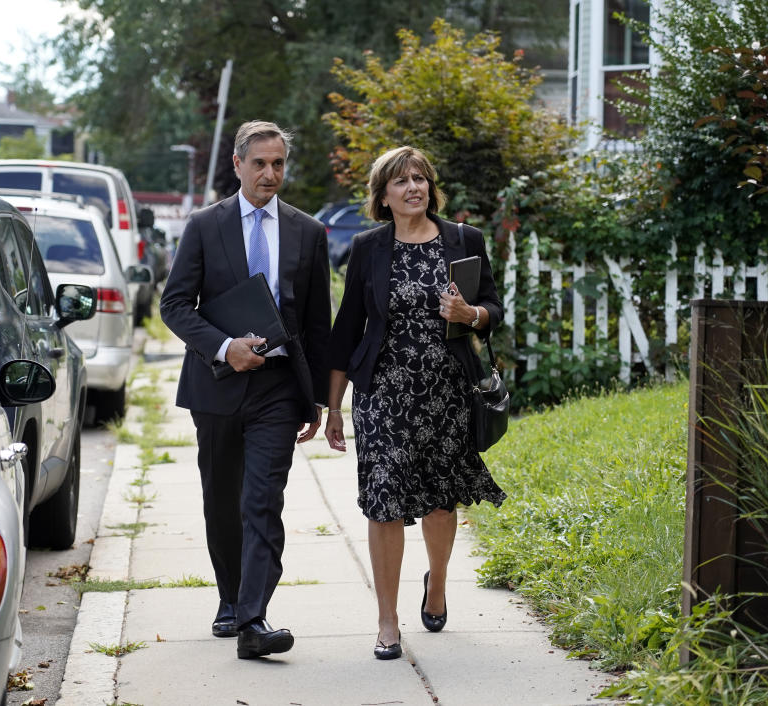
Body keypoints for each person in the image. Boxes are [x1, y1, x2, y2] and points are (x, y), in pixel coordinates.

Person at [324, 146, 507, 660]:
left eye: (421, 178)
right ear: (383, 195)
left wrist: (470, 313)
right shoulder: (368, 247)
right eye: (401, 181)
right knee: (384, 502)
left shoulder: (462, 240)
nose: (414, 187)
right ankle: (387, 622)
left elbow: (494, 308)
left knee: (438, 499)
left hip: (448, 391)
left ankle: (439, 583)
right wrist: (333, 407)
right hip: (383, 394)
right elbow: (346, 330)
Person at [159, 120, 332, 660]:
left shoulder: (308, 231)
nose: (270, 173)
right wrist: (224, 346)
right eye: (259, 163)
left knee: (262, 501)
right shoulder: (205, 226)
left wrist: (323, 400)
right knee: (222, 501)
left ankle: (254, 618)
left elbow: (317, 322)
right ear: (237, 165)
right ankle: (230, 598)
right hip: (216, 385)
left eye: (278, 163)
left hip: (279, 387)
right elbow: (175, 304)